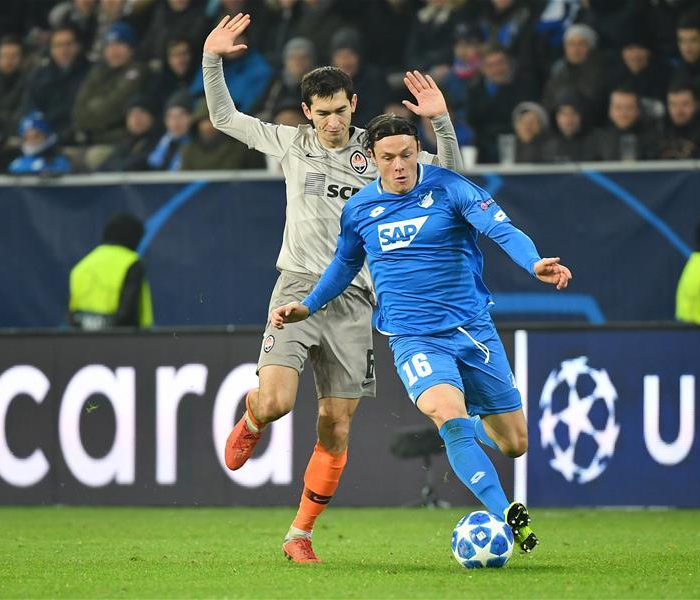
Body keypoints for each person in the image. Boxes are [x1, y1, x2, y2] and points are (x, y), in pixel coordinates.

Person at [201, 12, 463, 563]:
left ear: (353, 104)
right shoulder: (292, 144)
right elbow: (224, 118)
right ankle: (250, 419)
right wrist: (211, 58)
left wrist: (440, 123)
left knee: (335, 424)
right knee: (275, 403)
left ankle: (300, 534)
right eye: (322, 114)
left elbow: (451, 177)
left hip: (355, 298)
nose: (334, 123)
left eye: (341, 111)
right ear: (307, 112)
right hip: (296, 288)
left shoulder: (385, 152)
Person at [269, 113, 573, 555]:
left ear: (417, 152)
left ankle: (470, 428)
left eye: (406, 155)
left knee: (515, 443)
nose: (399, 165)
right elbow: (344, 265)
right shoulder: (359, 210)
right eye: (388, 157)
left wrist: (534, 262)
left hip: (473, 332)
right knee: (446, 416)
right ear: (371, 158)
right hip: (413, 338)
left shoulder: (450, 188)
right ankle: (508, 514)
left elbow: (500, 229)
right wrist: (309, 304)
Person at [68, 213, 154, 330]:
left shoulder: (80, 267)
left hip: (85, 342)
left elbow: (73, 316)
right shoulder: (132, 263)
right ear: (134, 238)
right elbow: (128, 314)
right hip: (124, 342)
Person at [8, 111, 73, 175]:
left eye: (36, 136)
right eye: (27, 137)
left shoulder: (59, 162)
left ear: (48, 137)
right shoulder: (16, 164)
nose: (31, 141)